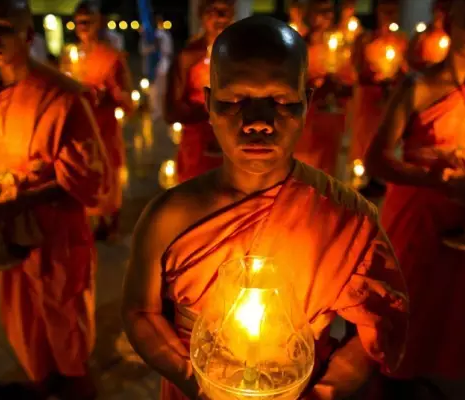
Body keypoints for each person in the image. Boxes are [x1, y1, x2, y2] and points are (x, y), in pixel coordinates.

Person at [123, 16, 408, 400]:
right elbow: (141, 313)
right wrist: (198, 382)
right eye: (234, 101)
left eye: (280, 101)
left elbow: (377, 322)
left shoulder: (345, 216)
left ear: (307, 104)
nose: (258, 122)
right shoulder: (168, 215)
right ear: (208, 104)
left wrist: (327, 386)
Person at [365, 0, 465, 396]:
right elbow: (377, 159)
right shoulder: (418, 86)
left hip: (464, 222)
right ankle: (389, 380)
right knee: (405, 301)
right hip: (415, 212)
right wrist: (439, 179)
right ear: (450, 23)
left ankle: (420, 375)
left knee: (449, 305)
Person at [0, 0, 111, 398]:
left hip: (57, 232)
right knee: (21, 316)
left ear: (28, 35)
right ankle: (42, 380)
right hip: (8, 234)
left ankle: (77, 383)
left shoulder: (61, 95)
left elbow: (88, 178)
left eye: (3, 28)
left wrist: (24, 199)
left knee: (66, 317)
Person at [73, 0, 133, 239]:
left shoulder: (111, 58)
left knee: (109, 176)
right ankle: (93, 220)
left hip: (105, 128)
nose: (83, 27)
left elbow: (128, 102)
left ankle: (112, 220)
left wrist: (111, 92)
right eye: (79, 23)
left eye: (88, 22)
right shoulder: (71, 57)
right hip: (81, 129)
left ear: (99, 23)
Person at [164, 0, 235, 183]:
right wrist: (207, 111)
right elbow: (171, 110)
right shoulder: (188, 57)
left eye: (224, 11)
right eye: (213, 11)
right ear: (201, 15)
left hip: (233, 143)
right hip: (197, 146)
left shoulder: (241, 56)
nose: (220, 17)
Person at [349, 0, 407, 193]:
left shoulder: (402, 41)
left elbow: (407, 69)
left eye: (394, 11)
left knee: (386, 134)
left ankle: (381, 176)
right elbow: (355, 67)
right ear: (378, 13)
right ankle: (363, 174)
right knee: (364, 135)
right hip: (369, 96)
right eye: (386, 11)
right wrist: (373, 75)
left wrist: (394, 77)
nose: (390, 16)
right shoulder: (366, 39)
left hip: (390, 96)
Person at [295, 0, 352, 176]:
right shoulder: (298, 47)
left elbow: (350, 86)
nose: (325, 16)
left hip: (330, 122)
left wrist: (337, 85)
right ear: (308, 13)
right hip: (303, 123)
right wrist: (316, 87)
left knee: (327, 174)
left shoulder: (342, 48)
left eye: (329, 11)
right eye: (320, 10)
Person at [407, 0, 452, 71]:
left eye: (442, 10)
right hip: (424, 71)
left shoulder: (450, 35)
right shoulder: (423, 32)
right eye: (436, 10)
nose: (438, 14)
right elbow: (411, 54)